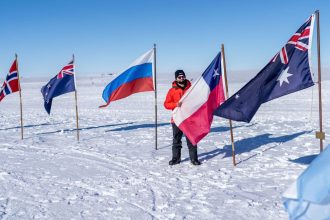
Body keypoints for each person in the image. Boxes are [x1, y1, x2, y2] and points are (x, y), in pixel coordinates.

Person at [164, 70, 201, 166]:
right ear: (176, 78)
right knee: (176, 139)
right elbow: (166, 104)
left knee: (191, 138)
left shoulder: (191, 89)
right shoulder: (172, 91)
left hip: (189, 118)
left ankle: (194, 159)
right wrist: (176, 104)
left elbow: (197, 100)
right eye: (179, 77)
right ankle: (176, 159)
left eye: (183, 77)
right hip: (177, 119)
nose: (181, 78)